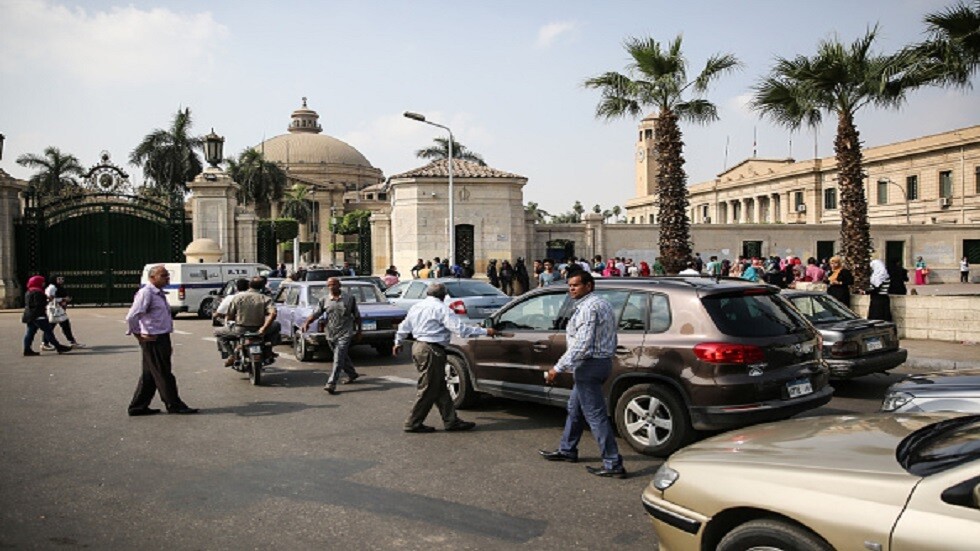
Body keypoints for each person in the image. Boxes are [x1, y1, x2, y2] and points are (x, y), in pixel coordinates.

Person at [540, 271, 625, 479]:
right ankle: (567, 449)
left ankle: (613, 463)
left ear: (589, 285)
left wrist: (557, 368)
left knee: (595, 415)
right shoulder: (600, 304)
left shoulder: (589, 308)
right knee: (575, 409)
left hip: (590, 366)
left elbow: (582, 343)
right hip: (598, 363)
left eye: (576, 285)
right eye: (570, 285)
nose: (571, 289)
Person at [393, 283, 501, 433]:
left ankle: (451, 420)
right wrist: (484, 331)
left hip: (419, 347)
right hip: (432, 349)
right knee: (429, 387)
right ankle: (413, 422)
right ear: (444, 296)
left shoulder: (417, 307)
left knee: (439, 387)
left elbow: (404, 326)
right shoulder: (441, 308)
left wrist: (398, 342)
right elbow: (460, 329)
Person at [125, 265, 197, 416]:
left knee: (150, 374)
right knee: (164, 373)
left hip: (161, 336)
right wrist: (138, 335)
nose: (167, 278)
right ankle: (174, 404)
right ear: (152, 278)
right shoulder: (146, 293)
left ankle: (138, 406)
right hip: (153, 338)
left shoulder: (159, 293)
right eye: (163, 276)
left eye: (167, 275)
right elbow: (132, 316)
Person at [303, 277, 361, 394]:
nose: (332, 287)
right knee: (340, 355)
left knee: (338, 357)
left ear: (339, 286)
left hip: (345, 332)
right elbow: (316, 313)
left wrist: (359, 331)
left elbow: (357, 316)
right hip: (331, 333)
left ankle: (331, 383)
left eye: (334, 284)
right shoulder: (324, 300)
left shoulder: (349, 298)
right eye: (329, 285)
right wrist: (307, 323)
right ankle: (352, 373)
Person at [220, 276, 280, 367]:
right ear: (263, 287)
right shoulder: (265, 298)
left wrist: (229, 322)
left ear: (249, 285)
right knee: (277, 325)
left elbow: (230, 315)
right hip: (260, 330)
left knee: (218, 333)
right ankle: (269, 350)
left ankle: (231, 355)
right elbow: (273, 314)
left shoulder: (237, 297)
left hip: (240, 329)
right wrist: (263, 328)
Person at [22, 275, 71, 356]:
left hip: (29, 315)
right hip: (38, 315)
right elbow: (39, 304)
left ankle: (27, 349)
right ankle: (58, 347)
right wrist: (48, 300)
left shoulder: (29, 291)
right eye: (42, 282)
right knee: (48, 331)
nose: (43, 283)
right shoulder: (38, 292)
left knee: (30, 333)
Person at [42, 275, 84, 349]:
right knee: (62, 326)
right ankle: (72, 342)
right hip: (55, 310)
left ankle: (45, 343)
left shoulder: (58, 287)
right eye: (59, 279)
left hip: (59, 309)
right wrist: (63, 299)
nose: (61, 280)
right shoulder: (52, 287)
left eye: (62, 279)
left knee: (54, 327)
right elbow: (49, 299)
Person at [213, 278, 249, 358]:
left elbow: (219, 313)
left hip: (238, 327)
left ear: (236, 287)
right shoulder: (258, 296)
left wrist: (215, 315)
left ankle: (231, 355)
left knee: (218, 333)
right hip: (258, 327)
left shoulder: (230, 298)